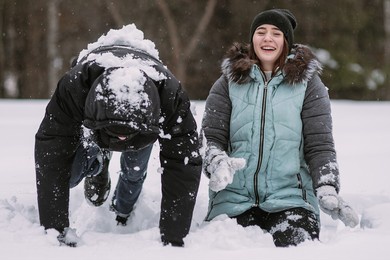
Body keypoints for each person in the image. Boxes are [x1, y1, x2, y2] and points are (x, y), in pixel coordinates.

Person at [201, 9, 359, 247]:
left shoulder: (309, 85)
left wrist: (327, 186)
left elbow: (320, 144)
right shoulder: (227, 83)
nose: (267, 38)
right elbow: (211, 138)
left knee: (296, 247)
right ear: (252, 39)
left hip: (291, 199)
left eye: (276, 33)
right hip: (233, 199)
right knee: (228, 248)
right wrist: (215, 161)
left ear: (286, 41)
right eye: (261, 32)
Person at [34, 24, 202, 247]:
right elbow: (52, 152)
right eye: (116, 134)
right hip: (99, 121)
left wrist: (173, 237)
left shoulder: (169, 97)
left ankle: (122, 213)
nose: (121, 141)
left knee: (134, 171)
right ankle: (97, 162)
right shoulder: (76, 87)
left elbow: (183, 163)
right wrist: (55, 230)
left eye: (126, 135)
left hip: (142, 123)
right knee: (70, 174)